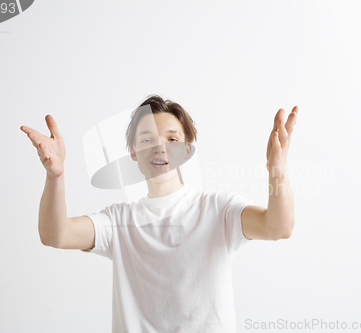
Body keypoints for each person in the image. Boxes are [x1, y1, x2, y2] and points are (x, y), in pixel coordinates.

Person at [20, 94, 297, 333]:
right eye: (147, 139)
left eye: (172, 138)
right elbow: (56, 235)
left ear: (188, 150)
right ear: (133, 153)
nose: (160, 146)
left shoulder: (219, 209)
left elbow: (277, 228)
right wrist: (55, 176)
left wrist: (278, 170)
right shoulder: (119, 222)